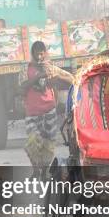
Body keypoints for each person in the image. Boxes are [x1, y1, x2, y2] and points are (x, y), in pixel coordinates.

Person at [20, 41, 73, 175]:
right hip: (32, 112)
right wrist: (37, 77)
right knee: (33, 142)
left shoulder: (50, 67)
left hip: (49, 110)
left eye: (42, 54)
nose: (39, 56)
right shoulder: (26, 69)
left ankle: (43, 171)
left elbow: (71, 78)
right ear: (33, 54)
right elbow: (21, 87)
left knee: (48, 144)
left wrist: (57, 77)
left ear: (45, 54)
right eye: (37, 54)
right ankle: (36, 169)